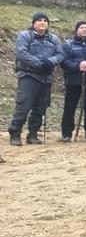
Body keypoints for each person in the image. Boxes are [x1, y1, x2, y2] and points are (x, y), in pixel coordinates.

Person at [8, 13, 65, 145]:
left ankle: (33, 134)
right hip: (28, 75)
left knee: (41, 107)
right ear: (34, 23)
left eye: (45, 21)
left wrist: (50, 62)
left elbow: (60, 54)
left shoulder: (53, 38)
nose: (42, 23)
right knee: (24, 105)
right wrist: (40, 63)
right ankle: (15, 133)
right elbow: (22, 53)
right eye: (39, 20)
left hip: (46, 77)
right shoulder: (25, 35)